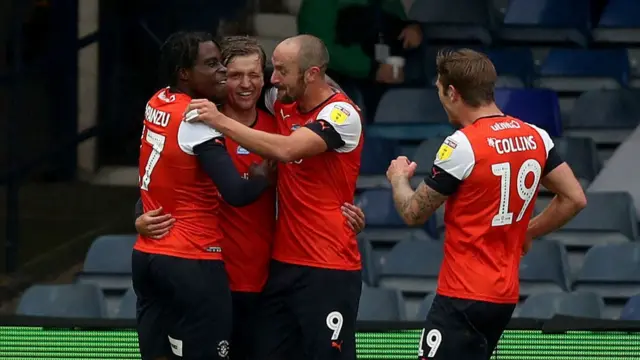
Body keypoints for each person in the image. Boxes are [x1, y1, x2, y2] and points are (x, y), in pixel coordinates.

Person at [135, 35, 366, 360]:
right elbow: (157, 175)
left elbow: (306, 127)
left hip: (265, 279)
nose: (249, 84)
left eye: (257, 74)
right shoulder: (199, 122)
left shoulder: (277, 115)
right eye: (233, 74)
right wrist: (140, 214)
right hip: (211, 274)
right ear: (219, 77)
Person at [385, 49, 587, 360]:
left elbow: (413, 212)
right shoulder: (536, 137)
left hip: (462, 294)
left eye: (440, 89)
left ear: (452, 92)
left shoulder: (462, 144)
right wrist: (528, 231)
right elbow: (575, 198)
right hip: (503, 296)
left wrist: (398, 178)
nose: (440, 97)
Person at [133, 31, 274, 360]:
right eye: (215, 66)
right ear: (184, 73)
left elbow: (158, 172)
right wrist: (261, 177)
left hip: (151, 257)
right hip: (194, 259)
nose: (226, 77)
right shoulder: (200, 119)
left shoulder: (157, 102)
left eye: (254, 75)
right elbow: (236, 193)